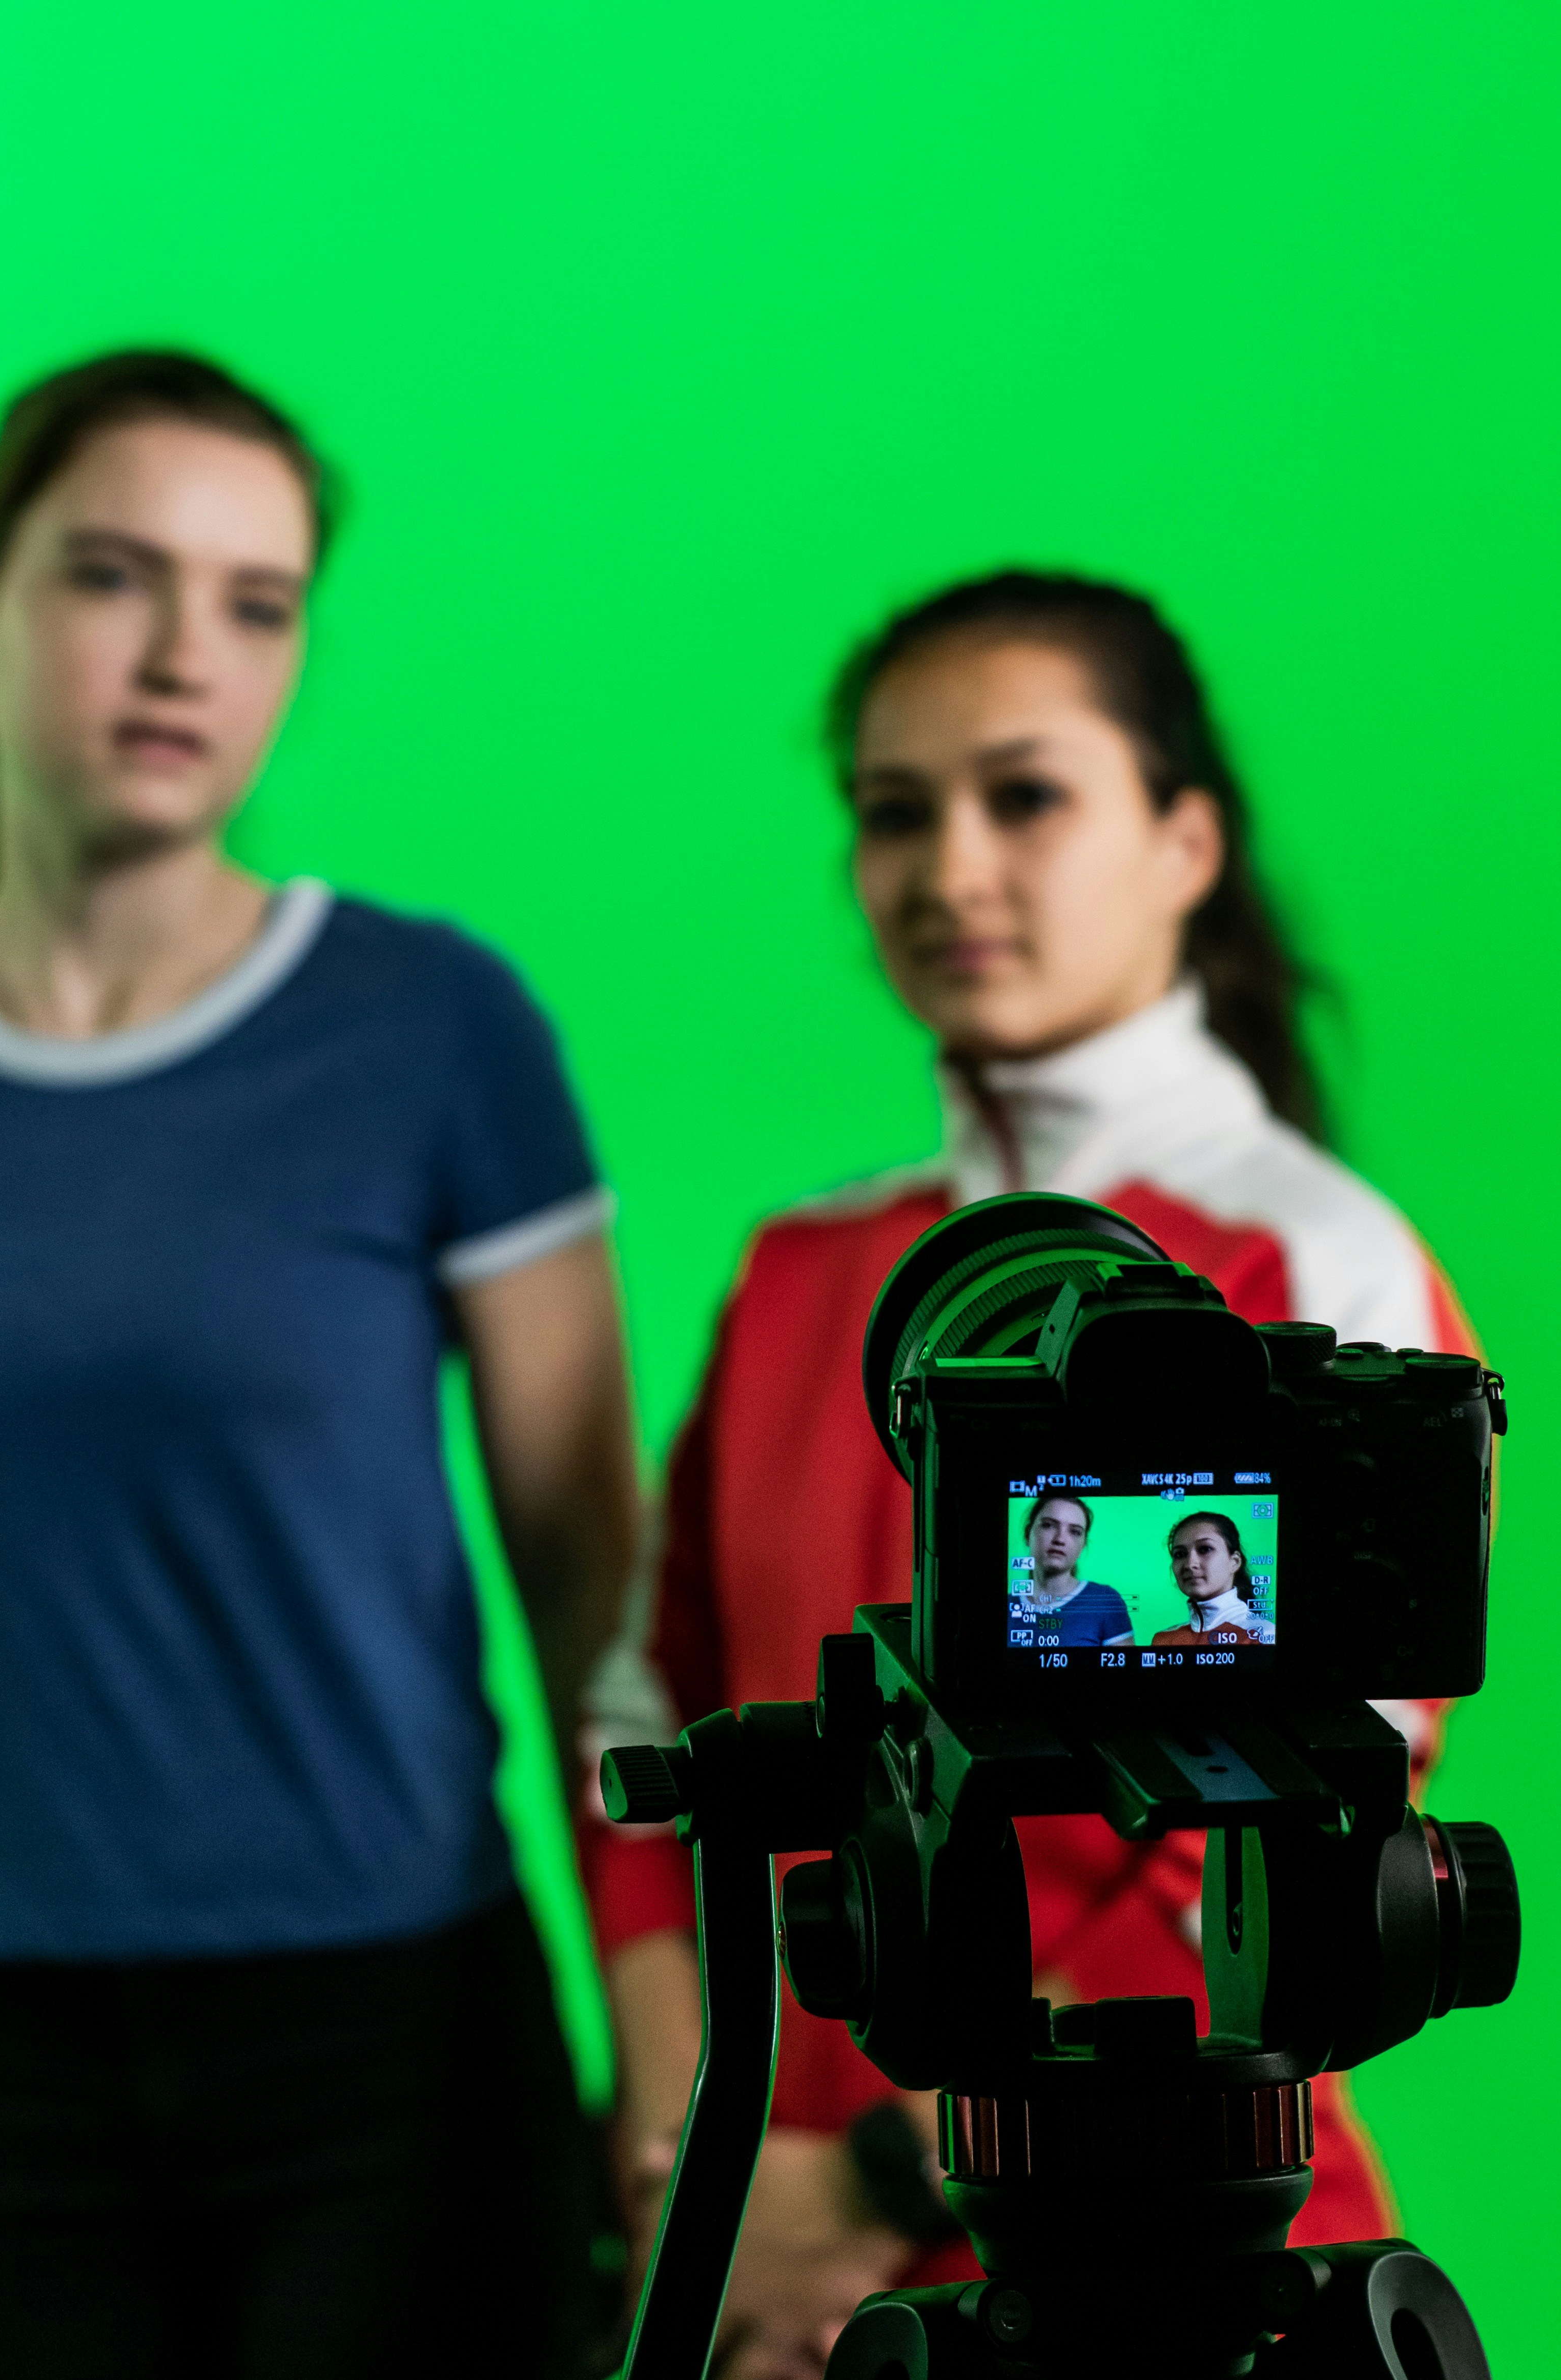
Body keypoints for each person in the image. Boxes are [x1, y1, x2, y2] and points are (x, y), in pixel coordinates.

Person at [580, 569, 1472, 2380]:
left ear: (1182, 837)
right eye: (890, 812)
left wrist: (871, 2181)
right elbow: (661, 1722)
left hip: (1201, 2253)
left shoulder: (1305, 1265)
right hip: (774, 2266)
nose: (948, 868)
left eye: (1023, 794)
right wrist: (713, 2170)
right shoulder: (796, 1274)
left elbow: (1297, 1810)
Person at [0, 350, 641, 2379]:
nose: (187, 653)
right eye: (114, 577)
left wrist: (682, 2031)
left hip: (387, 2047)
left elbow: (599, 1605)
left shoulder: (431, 1029)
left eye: (257, 604)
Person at [1011, 1492, 1132, 1645]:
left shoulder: (1106, 1602)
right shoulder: (1009, 1604)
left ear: (1083, 1546)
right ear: (1028, 1534)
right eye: (1048, 1525)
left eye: (1075, 1532)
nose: (1060, 1539)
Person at [1152, 1511, 1275, 1646]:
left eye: (1205, 1549)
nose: (1190, 1564)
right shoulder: (1164, 1640)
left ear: (1234, 1562)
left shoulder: (1265, 1636)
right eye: (1180, 1554)